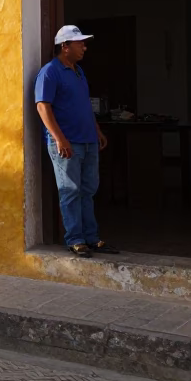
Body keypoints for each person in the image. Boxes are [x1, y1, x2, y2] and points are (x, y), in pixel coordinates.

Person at [34, 25, 118, 258]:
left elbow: (84, 106)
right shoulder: (50, 72)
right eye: (79, 43)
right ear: (65, 46)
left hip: (88, 141)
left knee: (88, 190)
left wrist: (97, 130)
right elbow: (42, 106)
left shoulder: (79, 72)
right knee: (70, 190)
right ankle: (75, 239)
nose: (84, 47)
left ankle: (91, 237)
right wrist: (59, 138)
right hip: (67, 142)